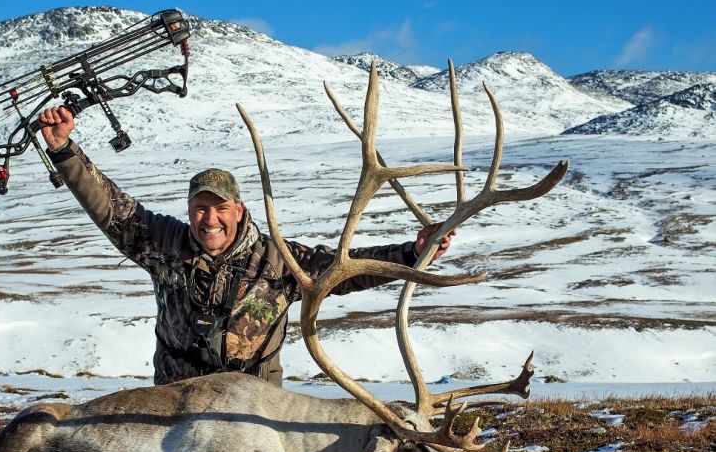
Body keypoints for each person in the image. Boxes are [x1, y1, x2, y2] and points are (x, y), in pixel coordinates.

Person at [38, 106, 453, 386]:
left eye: (219, 208)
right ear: (188, 211)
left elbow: (343, 269)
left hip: (249, 405)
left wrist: (411, 254)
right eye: (199, 209)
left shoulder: (278, 259)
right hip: (173, 401)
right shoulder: (163, 243)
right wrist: (63, 150)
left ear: (239, 209)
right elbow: (110, 207)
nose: (209, 220)